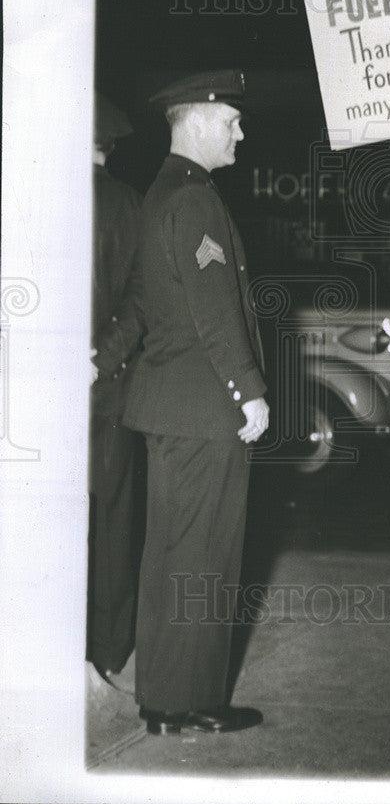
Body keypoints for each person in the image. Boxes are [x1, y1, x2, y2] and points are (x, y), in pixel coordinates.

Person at [123, 70, 269, 735]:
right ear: (201, 120)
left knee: (171, 556)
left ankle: (164, 699)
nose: (240, 132)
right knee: (202, 556)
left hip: (169, 406)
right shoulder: (197, 200)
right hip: (205, 409)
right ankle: (189, 703)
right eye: (232, 121)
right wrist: (250, 393)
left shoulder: (161, 194)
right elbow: (215, 313)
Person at [88, 93, 145, 692]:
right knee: (113, 520)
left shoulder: (28, 190)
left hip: (34, 392)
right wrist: (102, 358)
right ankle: (110, 652)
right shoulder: (130, 205)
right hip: (110, 390)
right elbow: (139, 302)